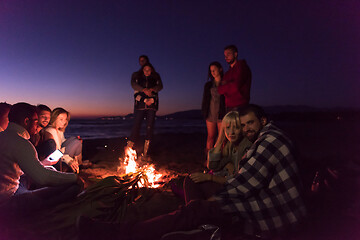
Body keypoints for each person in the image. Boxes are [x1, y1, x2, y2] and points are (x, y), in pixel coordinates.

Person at [78, 104, 307, 239]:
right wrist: (218, 144)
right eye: (242, 124)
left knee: (193, 210)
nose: (245, 129)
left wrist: (207, 203)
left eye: (249, 124)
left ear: (263, 120)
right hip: (261, 200)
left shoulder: (269, 142)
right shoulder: (267, 136)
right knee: (191, 189)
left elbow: (242, 185)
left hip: (270, 214)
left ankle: (117, 233)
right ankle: (200, 224)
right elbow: (223, 170)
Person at [0, 103, 82, 219]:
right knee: (74, 187)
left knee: (47, 170)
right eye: (35, 121)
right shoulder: (21, 143)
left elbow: (10, 169)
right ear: (26, 121)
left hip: (10, 188)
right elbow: (43, 178)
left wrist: (43, 165)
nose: (37, 124)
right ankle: (39, 209)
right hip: (7, 202)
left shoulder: (3, 136)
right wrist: (74, 178)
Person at [184, 111, 252, 204]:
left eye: (236, 127)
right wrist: (220, 140)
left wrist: (210, 178)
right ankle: (196, 211)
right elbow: (212, 166)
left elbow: (237, 182)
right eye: (227, 128)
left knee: (192, 183)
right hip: (227, 185)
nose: (231, 132)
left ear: (242, 128)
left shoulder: (246, 147)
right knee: (191, 179)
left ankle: (196, 211)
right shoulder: (230, 146)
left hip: (237, 192)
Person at [127, 62, 163, 157]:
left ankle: (146, 153)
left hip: (151, 107)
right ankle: (128, 150)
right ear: (142, 70)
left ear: (151, 71)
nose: (147, 71)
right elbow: (136, 94)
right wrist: (144, 99)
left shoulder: (154, 80)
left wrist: (152, 99)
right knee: (136, 126)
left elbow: (156, 93)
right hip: (140, 107)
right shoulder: (139, 80)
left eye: (149, 70)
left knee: (149, 128)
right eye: (145, 70)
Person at [44, 107, 82, 173]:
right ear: (54, 119)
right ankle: (79, 164)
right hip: (56, 157)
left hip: (61, 152)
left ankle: (78, 163)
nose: (64, 122)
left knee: (74, 139)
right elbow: (56, 152)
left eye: (65, 119)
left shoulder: (59, 130)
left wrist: (72, 141)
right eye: (61, 119)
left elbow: (63, 142)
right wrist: (69, 160)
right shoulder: (51, 130)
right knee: (76, 142)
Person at [201, 61, 226, 154]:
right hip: (210, 113)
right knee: (210, 136)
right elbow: (205, 100)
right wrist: (204, 112)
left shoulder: (225, 83)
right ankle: (208, 158)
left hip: (221, 113)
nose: (213, 72)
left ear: (220, 69)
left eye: (214, 70)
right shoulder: (208, 85)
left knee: (221, 138)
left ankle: (220, 157)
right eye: (211, 71)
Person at [218, 45, 251, 112]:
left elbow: (235, 86)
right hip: (228, 107)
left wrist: (225, 85)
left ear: (235, 54)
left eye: (228, 54)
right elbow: (219, 90)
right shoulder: (227, 73)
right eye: (225, 55)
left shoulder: (242, 67)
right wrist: (229, 83)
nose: (226, 57)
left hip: (241, 106)